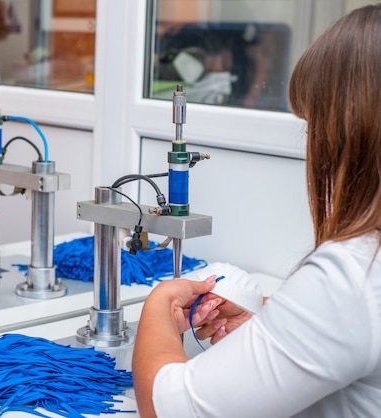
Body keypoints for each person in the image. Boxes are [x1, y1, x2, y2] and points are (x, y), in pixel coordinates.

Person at [133, 4, 381, 417]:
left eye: (313, 125)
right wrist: (274, 324)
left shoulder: (352, 276)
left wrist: (158, 305)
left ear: (346, 133)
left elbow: (168, 408)